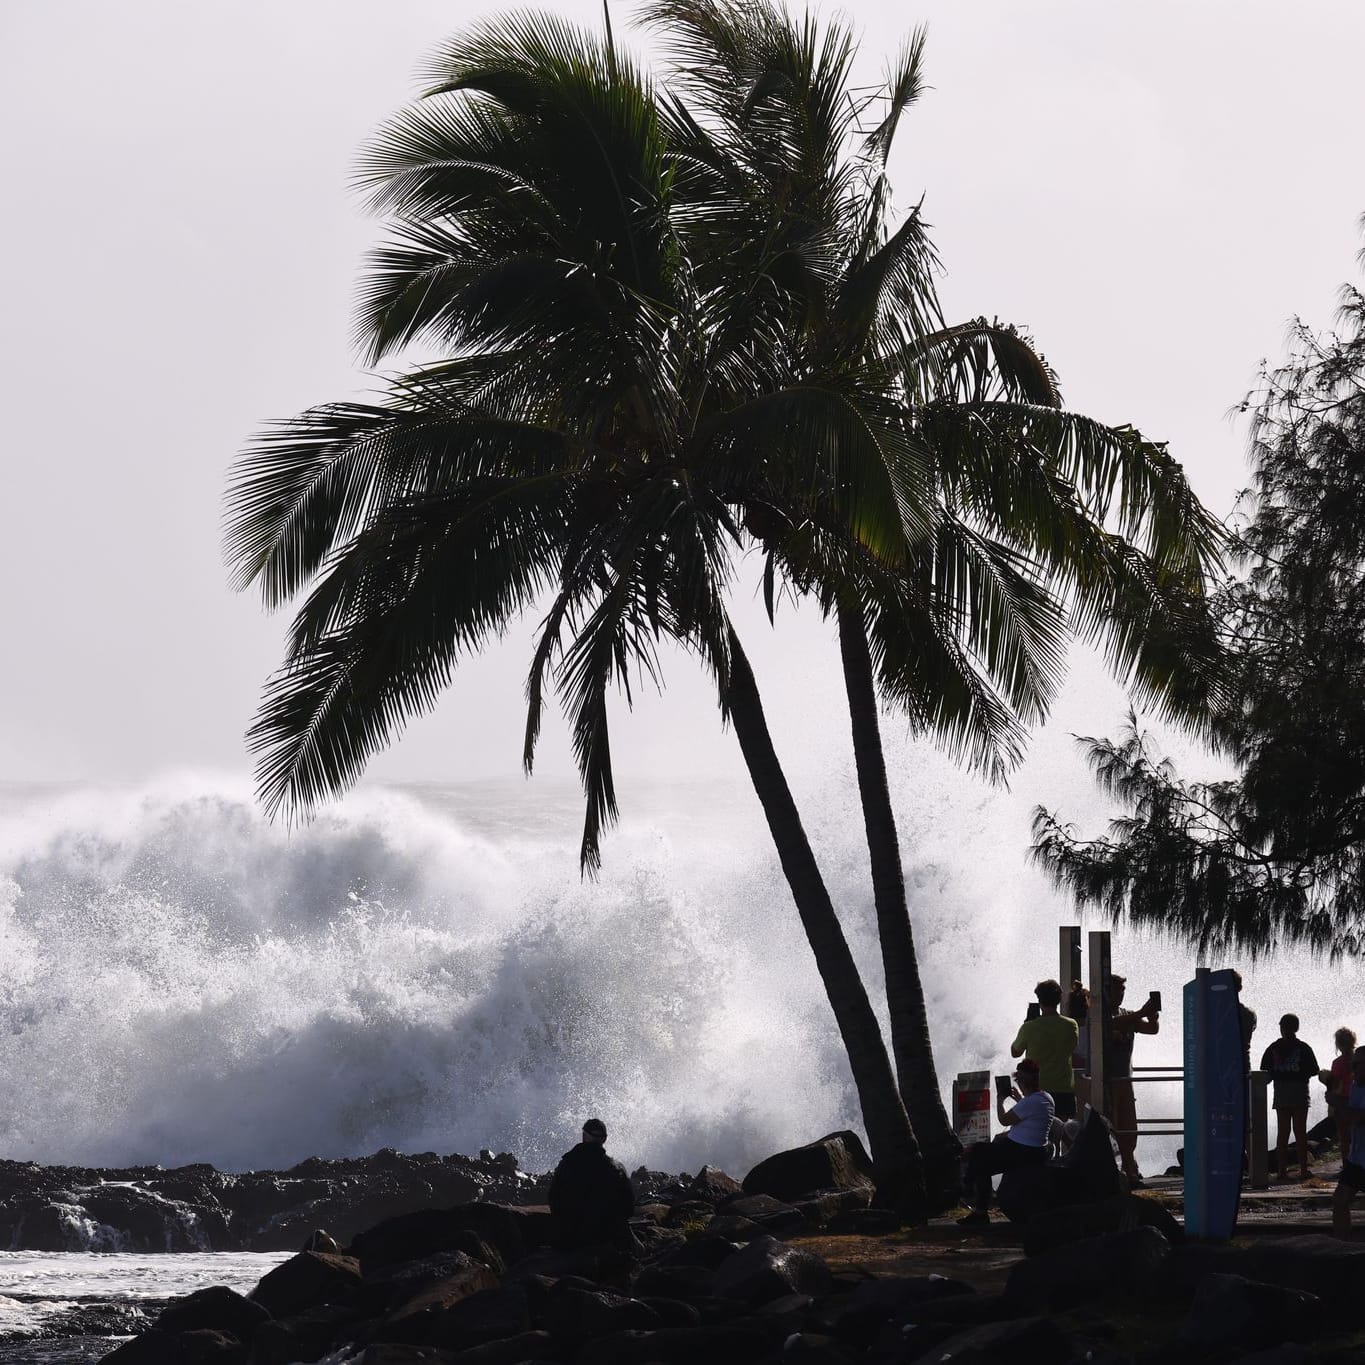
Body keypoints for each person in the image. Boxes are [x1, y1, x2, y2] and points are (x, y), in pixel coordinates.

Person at [958, 1058, 1054, 1227]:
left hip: (1021, 1151)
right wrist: (1020, 1100)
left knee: (980, 1158)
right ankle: (970, 1189)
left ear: (1022, 1081)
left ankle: (972, 1197)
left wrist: (1000, 1100)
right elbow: (1030, 1115)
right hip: (1033, 1150)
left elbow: (1004, 1120)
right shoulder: (1046, 1098)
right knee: (980, 1152)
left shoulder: (1029, 1103)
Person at [548, 1118, 636, 1250]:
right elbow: (629, 1208)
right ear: (604, 1139)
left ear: (584, 1135)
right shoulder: (616, 1168)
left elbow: (553, 1197)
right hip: (605, 1238)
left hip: (569, 1238)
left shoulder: (567, 1163)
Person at [1107, 975, 1160, 1185]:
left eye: (1122, 991)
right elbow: (1111, 1024)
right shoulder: (1100, 1015)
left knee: (1129, 1128)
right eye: (1115, 990)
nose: (1120, 995)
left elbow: (1151, 1029)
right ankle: (1121, 1171)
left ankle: (1131, 1169)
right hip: (1108, 1081)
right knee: (1113, 1127)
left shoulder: (1127, 1014)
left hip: (1125, 1079)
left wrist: (1153, 1016)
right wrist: (1142, 1013)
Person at [1261, 1014, 1320, 1181]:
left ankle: (1282, 1171)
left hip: (1282, 1093)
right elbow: (1313, 1069)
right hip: (1299, 1092)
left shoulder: (1273, 1048)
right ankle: (1302, 1170)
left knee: (1284, 1132)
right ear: (1297, 1028)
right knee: (1300, 1132)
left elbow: (1265, 1073)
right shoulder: (1303, 1048)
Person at [1011, 979, 1080, 1119]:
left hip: (1037, 1091)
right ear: (1059, 999)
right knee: (1063, 1134)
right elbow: (1073, 1047)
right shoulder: (1071, 1025)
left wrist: (1027, 1024)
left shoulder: (1029, 1027)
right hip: (1064, 1090)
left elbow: (1015, 1052)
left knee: (1038, 1135)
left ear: (1039, 1000)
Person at [1327, 1046, 1365, 1237]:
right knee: (1340, 1200)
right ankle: (1341, 1246)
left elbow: (1359, 1118)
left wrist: (1338, 1103)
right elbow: (1350, 1117)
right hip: (1357, 1159)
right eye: (1352, 1065)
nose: (1352, 1069)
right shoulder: (1357, 1087)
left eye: (1356, 1065)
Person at [1320, 1026, 1358, 1165]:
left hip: (1342, 1102)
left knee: (1344, 1137)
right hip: (1359, 1101)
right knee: (1358, 1136)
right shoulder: (1359, 1060)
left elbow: (1335, 1085)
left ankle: (1347, 1166)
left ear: (1338, 1044)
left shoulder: (1338, 1063)